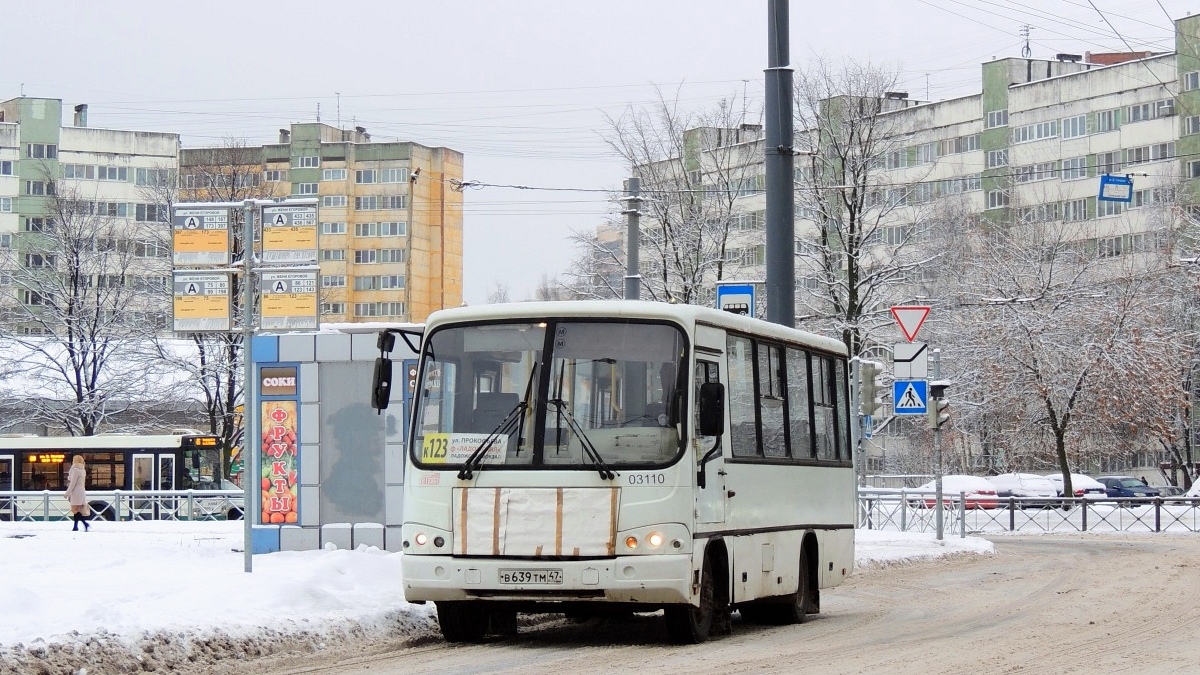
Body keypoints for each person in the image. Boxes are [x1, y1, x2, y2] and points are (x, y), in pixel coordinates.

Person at [65, 455, 89, 532]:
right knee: (77, 510)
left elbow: (73, 483)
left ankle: (85, 523)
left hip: (76, 491)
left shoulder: (75, 469)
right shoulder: (82, 469)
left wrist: (67, 493)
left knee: (74, 509)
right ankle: (75, 527)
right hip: (81, 490)